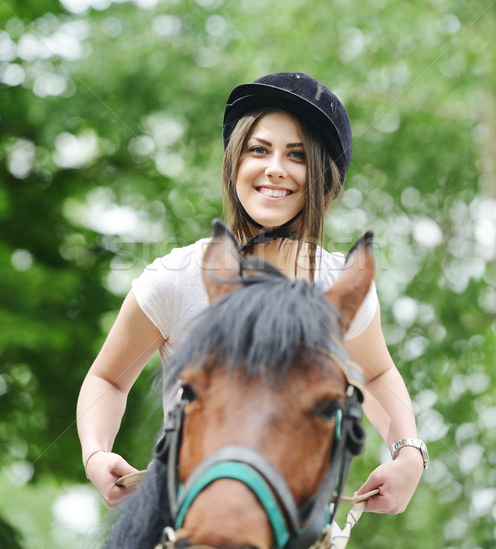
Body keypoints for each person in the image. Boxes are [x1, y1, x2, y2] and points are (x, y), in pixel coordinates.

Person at [77, 71, 428, 514]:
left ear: (324, 178)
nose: (275, 167)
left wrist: (409, 452)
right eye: (258, 149)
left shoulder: (341, 287)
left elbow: (375, 376)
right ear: (234, 164)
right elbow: (107, 379)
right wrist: (95, 452)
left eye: (297, 155)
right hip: (189, 517)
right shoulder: (175, 279)